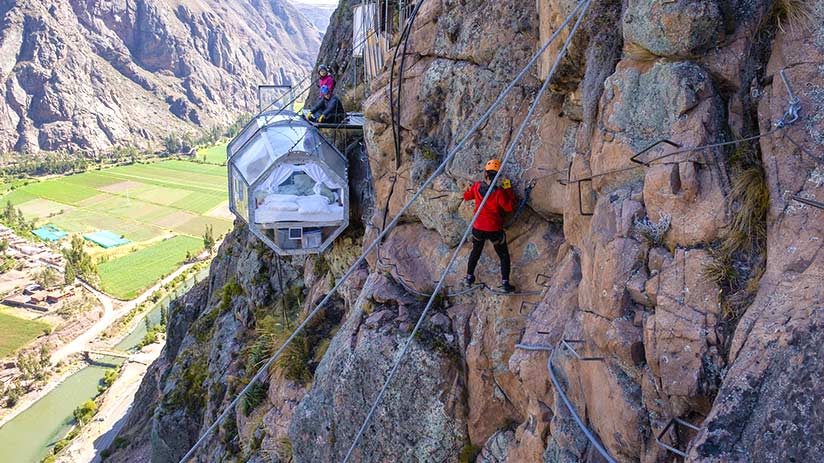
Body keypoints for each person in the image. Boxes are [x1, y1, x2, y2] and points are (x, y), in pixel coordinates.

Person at [463, 159, 516, 293]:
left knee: (476, 251)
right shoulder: (499, 192)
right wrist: (508, 189)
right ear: (498, 176)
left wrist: (470, 189)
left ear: (485, 174)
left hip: (478, 228)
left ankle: (469, 277)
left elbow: (466, 196)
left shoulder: (476, 186)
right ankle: (505, 283)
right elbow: (509, 207)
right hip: (493, 229)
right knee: (503, 255)